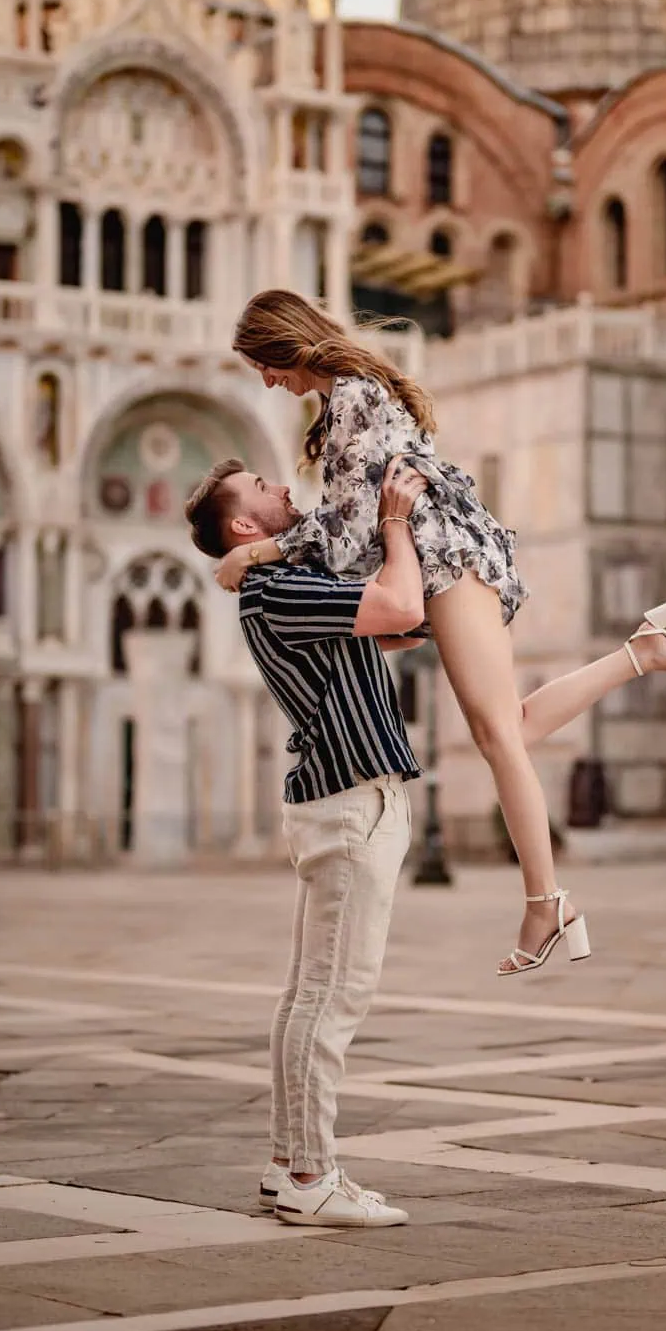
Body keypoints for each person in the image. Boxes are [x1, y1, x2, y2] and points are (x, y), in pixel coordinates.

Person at [213, 288, 666, 975]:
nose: (267, 380)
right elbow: (352, 528)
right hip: (439, 560)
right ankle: (643, 653)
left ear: (280, 344)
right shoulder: (344, 400)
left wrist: (258, 551)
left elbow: (342, 531)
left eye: (261, 365)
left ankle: (546, 901)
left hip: (443, 558)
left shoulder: (354, 395)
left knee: (497, 738)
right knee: (505, 727)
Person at [185, 453, 428, 1227]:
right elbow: (398, 608)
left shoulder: (278, 580)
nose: (284, 487)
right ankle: (310, 1175)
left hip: (346, 800)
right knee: (333, 996)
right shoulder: (276, 588)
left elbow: (393, 628)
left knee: (308, 995)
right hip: (353, 801)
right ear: (242, 524)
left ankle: (291, 1166)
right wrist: (394, 522)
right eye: (263, 489)